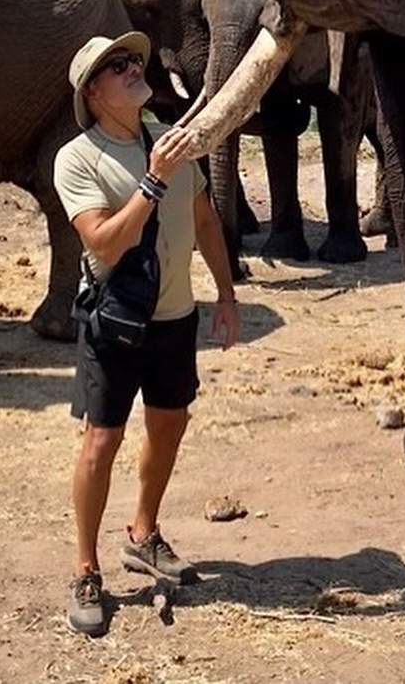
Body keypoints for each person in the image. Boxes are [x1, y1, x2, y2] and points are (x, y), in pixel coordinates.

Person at [53, 32, 239, 637]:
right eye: (117, 66)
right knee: (100, 443)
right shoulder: (77, 158)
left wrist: (228, 295)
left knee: (170, 424)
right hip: (115, 323)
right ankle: (86, 567)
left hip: (175, 319)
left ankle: (143, 532)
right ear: (94, 92)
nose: (135, 67)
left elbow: (205, 220)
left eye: (134, 59)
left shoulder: (170, 141)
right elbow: (103, 242)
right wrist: (152, 182)